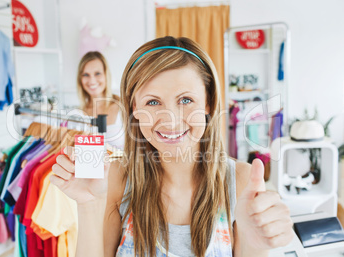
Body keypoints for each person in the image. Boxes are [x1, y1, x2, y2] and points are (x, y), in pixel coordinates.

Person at [50, 37, 294, 257]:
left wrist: (258, 246)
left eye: (186, 100)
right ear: (134, 108)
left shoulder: (239, 182)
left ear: (208, 103)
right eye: (153, 102)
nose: (170, 120)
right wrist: (89, 204)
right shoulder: (116, 178)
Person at [76, 51, 124, 150]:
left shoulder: (122, 107)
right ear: (80, 79)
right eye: (86, 74)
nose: (92, 80)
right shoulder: (77, 115)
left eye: (97, 73)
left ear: (106, 75)